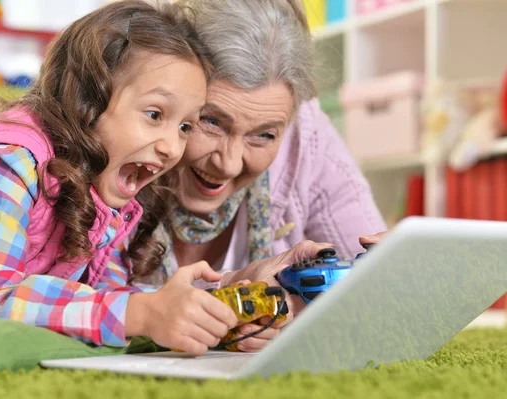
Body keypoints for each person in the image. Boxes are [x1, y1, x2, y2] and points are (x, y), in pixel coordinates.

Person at [0, 1, 240, 356]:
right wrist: (138, 312)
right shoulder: (6, 162)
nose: (173, 148)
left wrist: (207, 308)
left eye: (186, 126)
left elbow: (105, 297)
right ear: (87, 102)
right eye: (155, 114)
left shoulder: (113, 184)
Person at [128, 0, 388, 352]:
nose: (229, 164)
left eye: (264, 135)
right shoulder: (123, 144)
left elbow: (377, 294)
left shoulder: (306, 137)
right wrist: (230, 300)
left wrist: (391, 270)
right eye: (211, 121)